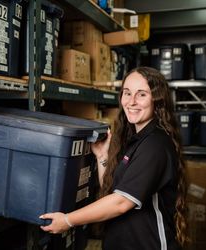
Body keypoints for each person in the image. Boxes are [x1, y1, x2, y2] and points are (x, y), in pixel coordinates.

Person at [39, 66, 188, 250]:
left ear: (157, 100)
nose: (131, 101)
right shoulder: (135, 139)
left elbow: (121, 203)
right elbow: (115, 192)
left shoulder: (155, 145)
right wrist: (102, 157)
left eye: (141, 94)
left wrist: (68, 220)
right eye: (127, 93)